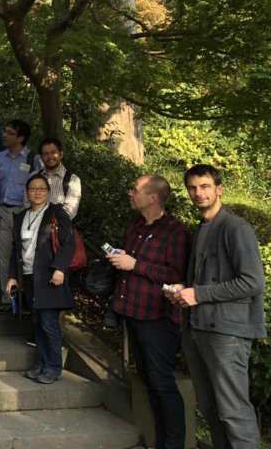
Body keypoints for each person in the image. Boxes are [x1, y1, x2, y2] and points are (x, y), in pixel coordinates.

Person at [164, 165, 266, 449]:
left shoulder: (236, 228)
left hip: (227, 333)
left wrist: (199, 294)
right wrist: (182, 292)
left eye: (205, 186)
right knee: (211, 409)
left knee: (233, 411)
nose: (199, 193)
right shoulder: (202, 228)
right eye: (193, 188)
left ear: (219, 189)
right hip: (198, 328)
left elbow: (253, 282)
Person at [110, 175, 189, 449]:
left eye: (136, 190)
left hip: (157, 318)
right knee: (148, 379)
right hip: (132, 311)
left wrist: (135, 264)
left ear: (153, 197)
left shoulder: (175, 231)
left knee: (162, 382)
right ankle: (159, 439)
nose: (131, 193)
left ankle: (173, 444)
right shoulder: (136, 226)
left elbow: (176, 274)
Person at [6, 173, 75, 384]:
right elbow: (16, 248)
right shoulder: (21, 216)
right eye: (33, 188)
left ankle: (53, 367)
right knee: (36, 323)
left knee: (48, 323)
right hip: (27, 277)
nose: (37, 192)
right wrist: (12, 276)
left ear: (48, 192)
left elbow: (68, 243)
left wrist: (60, 268)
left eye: (41, 189)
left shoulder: (56, 214)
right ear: (27, 192)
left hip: (48, 276)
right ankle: (41, 363)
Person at [0, 119, 39, 315]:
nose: (4, 135)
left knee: (25, 256)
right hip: (3, 211)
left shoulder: (32, 159)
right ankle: (5, 297)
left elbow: (37, 187)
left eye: (9, 133)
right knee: (3, 257)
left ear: (20, 137)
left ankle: (25, 298)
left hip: (24, 212)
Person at [38, 137, 81, 220]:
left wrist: (47, 222)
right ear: (41, 157)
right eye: (46, 154)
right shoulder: (34, 177)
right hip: (34, 227)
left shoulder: (72, 179)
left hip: (58, 228)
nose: (50, 156)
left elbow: (70, 211)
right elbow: (27, 203)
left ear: (61, 154)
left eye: (53, 152)